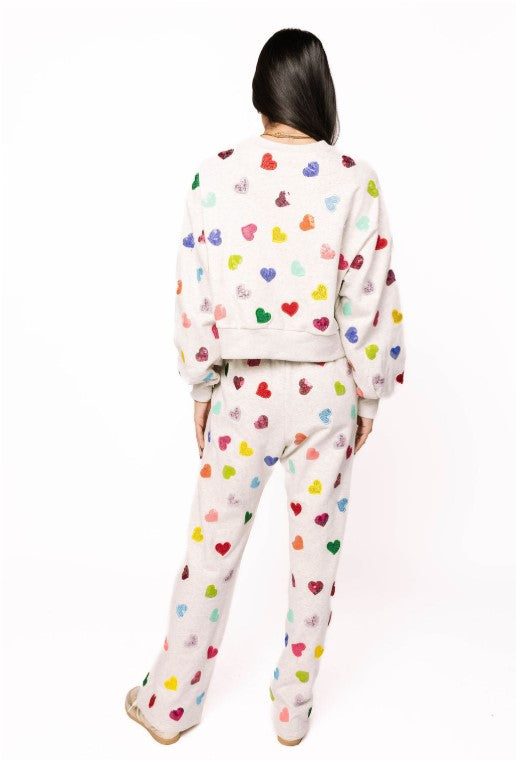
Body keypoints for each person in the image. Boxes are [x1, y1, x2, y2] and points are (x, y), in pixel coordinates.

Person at [125, 27, 406, 747]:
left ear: (260, 94)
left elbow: (194, 293)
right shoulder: (354, 178)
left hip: (242, 394)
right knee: (316, 562)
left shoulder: (214, 176)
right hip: (325, 393)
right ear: (320, 92)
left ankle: (169, 705)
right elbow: (368, 297)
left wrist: (201, 387)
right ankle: (292, 711)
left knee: (210, 552)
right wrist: (369, 392)